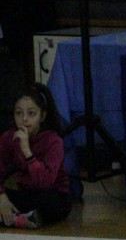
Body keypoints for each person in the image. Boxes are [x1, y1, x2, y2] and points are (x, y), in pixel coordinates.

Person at [0, 84, 72, 228]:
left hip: (52, 193)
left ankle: (15, 219)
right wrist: (2, 197)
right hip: (26, 193)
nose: (24, 119)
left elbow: (45, 182)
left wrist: (27, 152)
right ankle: (20, 218)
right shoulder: (9, 137)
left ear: (42, 116)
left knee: (51, 203)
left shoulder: (53, 141)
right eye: (19, 113)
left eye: (31, 113)